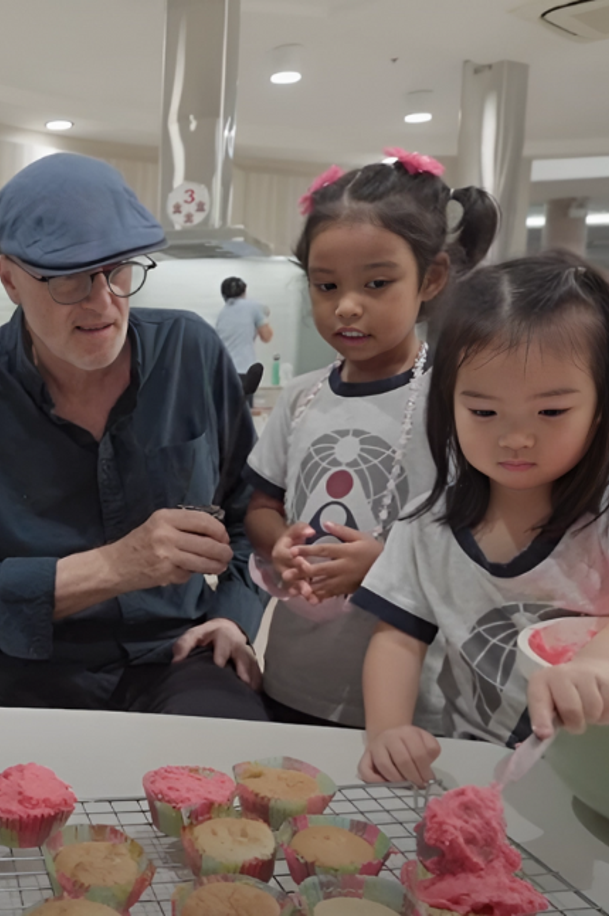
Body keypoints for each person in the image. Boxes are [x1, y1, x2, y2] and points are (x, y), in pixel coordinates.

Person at [0, 152, 268, 718]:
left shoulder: (190, 354)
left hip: (175, 656)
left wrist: (232, 615)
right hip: (24, 680)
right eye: (68, 277)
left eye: (118, 268)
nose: (103, 302)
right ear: (8, 279)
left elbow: (255, 512)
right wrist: (117, 566)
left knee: (236, 769)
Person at [243, 149, 498, 731]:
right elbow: (259, 505)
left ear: (431, 278)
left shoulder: (457, 401)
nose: (347, 306)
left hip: (409, 700)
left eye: (377, 283)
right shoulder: (304, 396)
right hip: (291, 677)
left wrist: (385, 567)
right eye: (326, 285)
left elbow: (482, 546)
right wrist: (279, 541)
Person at [352, 252, 609, 785]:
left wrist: (593, 666)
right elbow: (398, 638)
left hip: (587, 777)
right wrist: (387, 731)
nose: (516, 437)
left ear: (600, 407)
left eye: (552, 412)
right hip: (476, 770)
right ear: (449, 406)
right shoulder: (428, 528)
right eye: (484, 412)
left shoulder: (600, 521)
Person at [214, 276, 272, 374]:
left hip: (223, 369)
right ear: (244, 292)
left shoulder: (221, 314)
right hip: (244, 369)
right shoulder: (254, 306)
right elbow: (267, 336)